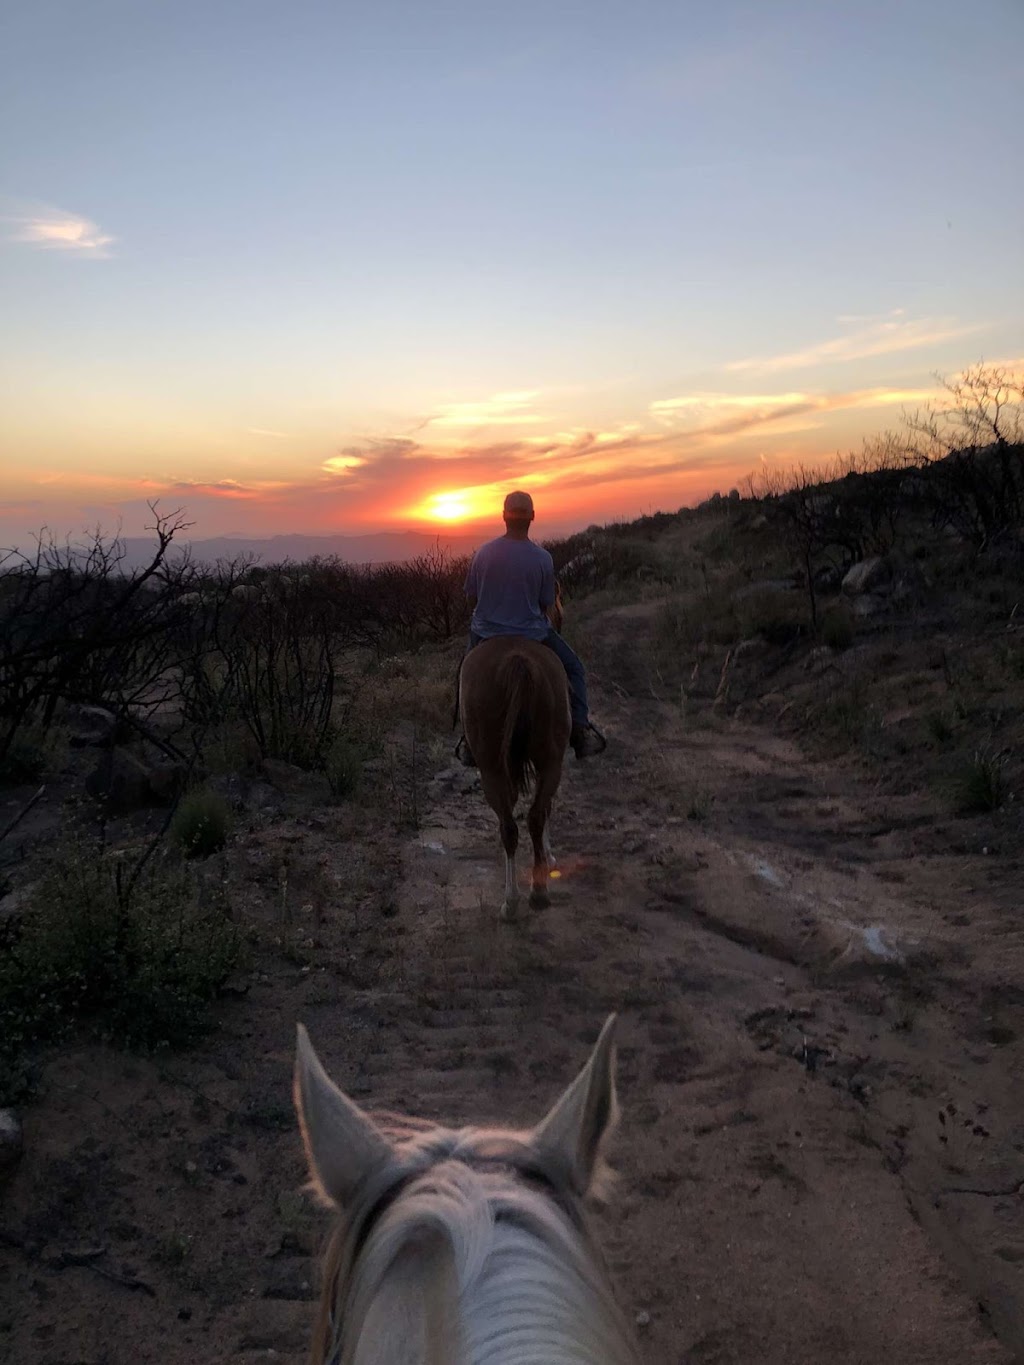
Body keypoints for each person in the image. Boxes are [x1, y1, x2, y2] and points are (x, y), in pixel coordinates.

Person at [455, 490, 606, 764]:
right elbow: (546, 603)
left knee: (465, 672)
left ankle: (468, 739)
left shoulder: (483, 553)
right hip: (533, 634)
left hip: (486, 632)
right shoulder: (543, 558)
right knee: (574, 669)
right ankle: (581, 731)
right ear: (533, 517)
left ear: (503, 517)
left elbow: (471, 598)